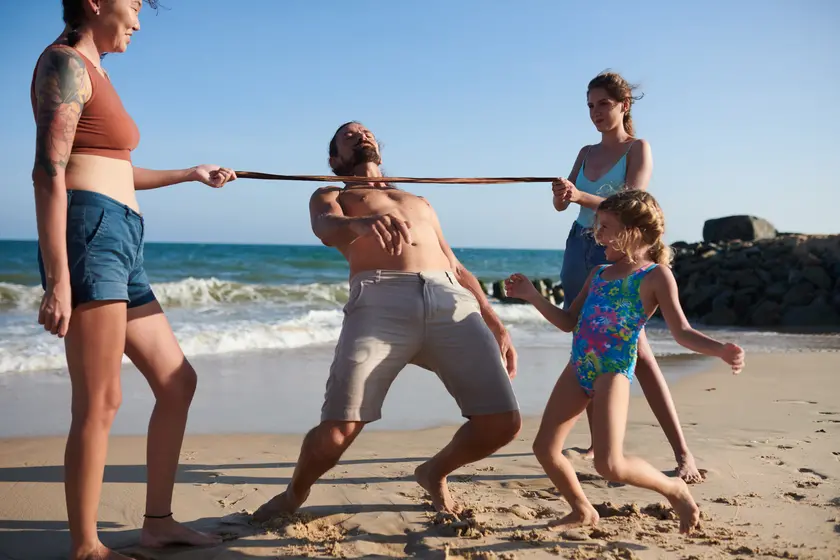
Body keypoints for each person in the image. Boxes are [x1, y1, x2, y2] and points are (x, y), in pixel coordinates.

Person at [31, 1, 237, 558]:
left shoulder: (96, 73)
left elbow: (115, 166)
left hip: (123, 236)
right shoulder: (65, 63)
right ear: (96, 3)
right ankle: (85, 545)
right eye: (136, 5)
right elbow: (49, 169)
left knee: (177, 382)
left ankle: (158, 523)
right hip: (91, 232)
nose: (140, 20)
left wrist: (188, 174)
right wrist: (58, 280)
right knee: (100, 399)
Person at [252, 121, 522, 521]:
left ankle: (433, 472)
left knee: (502, 422)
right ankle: (295, 493)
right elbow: (325, 228)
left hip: (450, 297)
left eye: (366, 132)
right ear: (334, 159)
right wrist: (357, 223)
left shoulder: (419, 199)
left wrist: (496, 322)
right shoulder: (332, 193)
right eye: (348, 135)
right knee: (339, 428)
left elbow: (456, 265)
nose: (361, 135)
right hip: (380, 299)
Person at [505, 189, 745, 534]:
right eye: (597, 225)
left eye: (605, 226)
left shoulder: (655, 276)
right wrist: (532, 297)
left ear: (633, 231)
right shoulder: (598, 272)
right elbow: (569, 322)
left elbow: (682, 332)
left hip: (613, 371)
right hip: (579, 366)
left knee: (610, 465)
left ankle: (674, 488)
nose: (596, 233)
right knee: (545, 448)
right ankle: (581, 509)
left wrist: (720, 349)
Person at [551, 71, 703, 483]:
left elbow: (633, 203)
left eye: (603, 104)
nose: (595, 113)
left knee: (641, 356)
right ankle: (599, 444)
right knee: (588, 340)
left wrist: (580, 195)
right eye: (589, 106)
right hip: (579, 248)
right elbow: (564, 207)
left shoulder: (638, 148)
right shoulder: (584, 151)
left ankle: (683, 453)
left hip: (623, 252)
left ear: (623, 105)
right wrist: (562, 195)